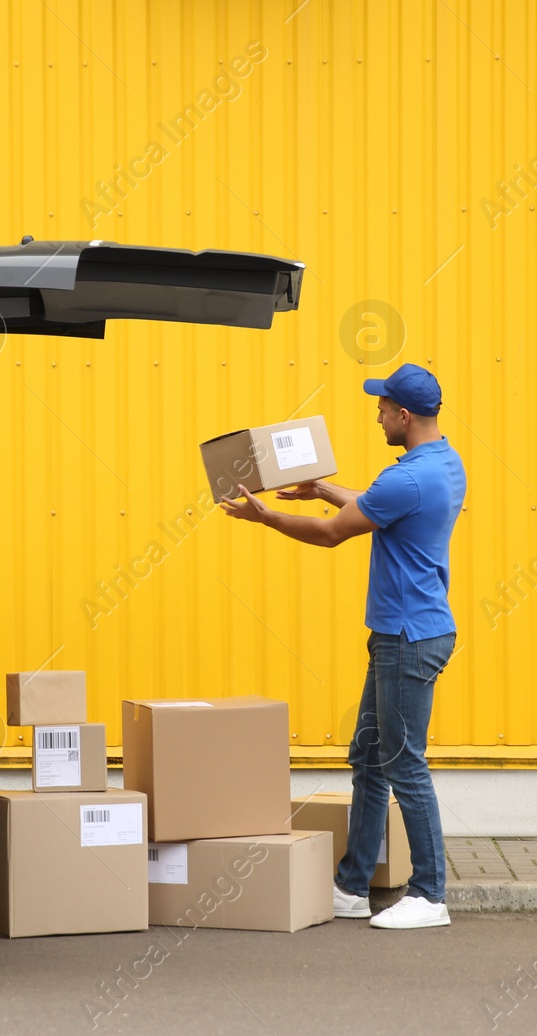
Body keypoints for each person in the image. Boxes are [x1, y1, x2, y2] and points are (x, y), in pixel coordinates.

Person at [219, 363, 466, 929]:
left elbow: (335, 532)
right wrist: (322, 489)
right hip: (403, 633)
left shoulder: (406, 478)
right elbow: (378, 503)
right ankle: (353, 887)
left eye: (382, 407)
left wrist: (268, 517)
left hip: (409, 636)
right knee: (369, 759)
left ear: (404, 416)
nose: (376, 413)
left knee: (404, 763)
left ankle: (429, 895)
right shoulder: (442, 463)